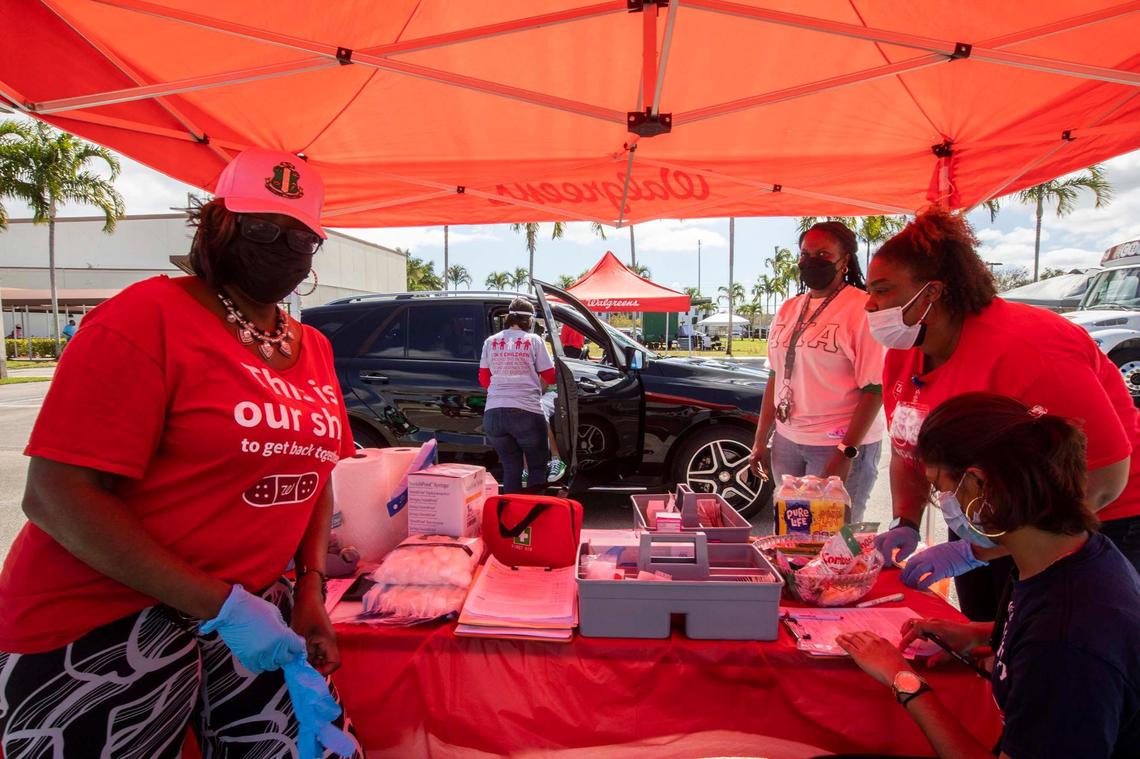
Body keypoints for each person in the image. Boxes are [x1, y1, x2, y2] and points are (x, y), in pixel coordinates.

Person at [0, 149, 362, 757]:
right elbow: (56, 496)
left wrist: (309, 587)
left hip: (251, 613)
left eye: (301, 238)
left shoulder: (314, 347)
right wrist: (218, 604)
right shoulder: (145, 318)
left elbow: (313, 476)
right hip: (103, 621)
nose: (283, 247)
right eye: (263, 228)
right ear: (216, 225)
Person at [868, 207, 1140, 621]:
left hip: (1092, 519)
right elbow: (909, 450)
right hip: (992, 519)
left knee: (1052, 646)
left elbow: (1103, 479)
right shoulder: (903, 357)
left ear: (933, 292)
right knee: (983, 637)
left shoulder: (1030, 348)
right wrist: (906, 519)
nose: (869, 304)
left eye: (883, 290)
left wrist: (979, 550)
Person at [838, 393, 1140, 759]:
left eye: (941, 487)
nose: (944, 500)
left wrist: (903, 680)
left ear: (979, 484)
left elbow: (1058, 644)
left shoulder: (1065, 641)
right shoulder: (1071, 554)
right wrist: (982, 633)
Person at [751, 221, 886, 522]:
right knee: (791, 536)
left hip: (836, 444)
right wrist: (761, 439)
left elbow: (875, 389)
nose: (810, 261)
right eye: (804, 253)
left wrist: (845, 452)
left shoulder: (861, 309)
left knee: (833, 542)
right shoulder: (788, 308)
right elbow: (775, 376)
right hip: (787, 441)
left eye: (823, 253)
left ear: (845, 260)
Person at [479, 298, 556, 493]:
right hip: (527, 413)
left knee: (511, 468)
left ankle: (512, 518)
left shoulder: (491, 341)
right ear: (529, 320)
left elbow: (484, 380)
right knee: (537, 467)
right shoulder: (534, 341)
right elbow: (550, 376)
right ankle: (532, 516)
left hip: (494, 415)